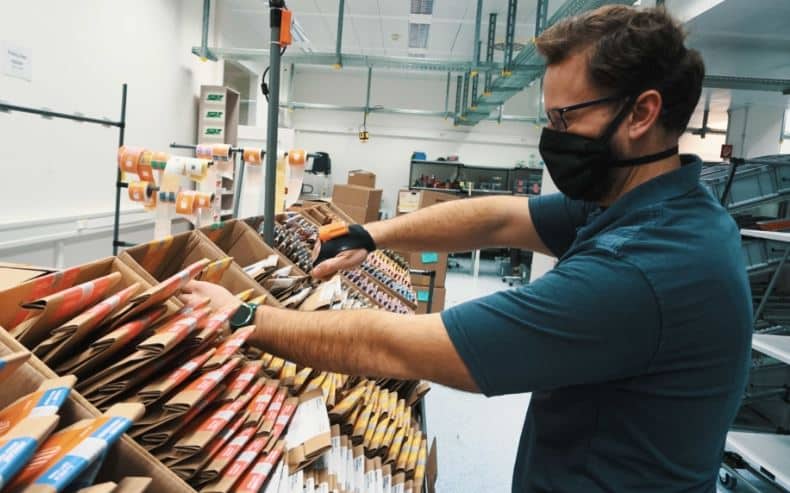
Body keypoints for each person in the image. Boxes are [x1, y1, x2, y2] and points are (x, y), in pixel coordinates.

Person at [183, 5, 752, 492]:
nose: (551, 135)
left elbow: (402, 349)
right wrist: (373, 234)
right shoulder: (649, 205)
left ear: (642, 113)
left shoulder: (642, 270)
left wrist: (246, 318)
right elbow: (500, 219)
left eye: (564, 117)